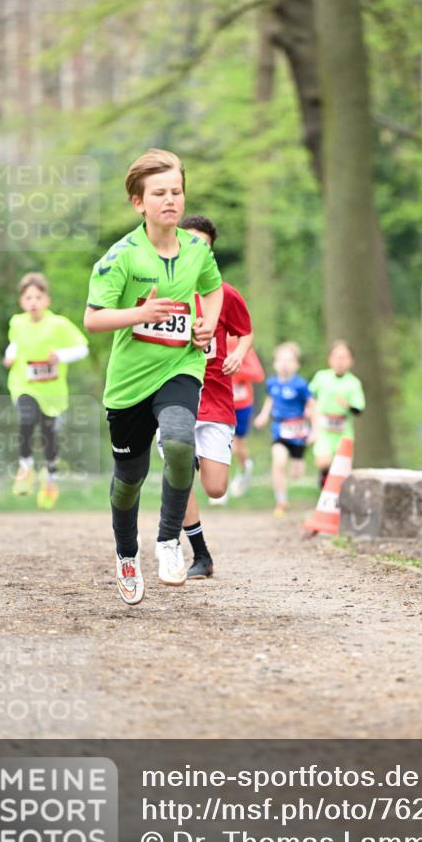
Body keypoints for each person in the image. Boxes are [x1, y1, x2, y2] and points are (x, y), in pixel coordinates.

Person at [84, 149, 223, 607]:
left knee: (181, 441)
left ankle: (168, 542)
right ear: (138, 202)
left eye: (177, 191)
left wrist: (206, 324)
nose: (170, 200)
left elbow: (212, 288)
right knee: (130, 477)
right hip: (129, 383)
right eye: (159, 193)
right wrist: (140, 313)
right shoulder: (120, 257)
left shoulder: (198, 249)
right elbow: (93, 319)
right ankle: (127, 554)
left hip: (181, 366)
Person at [169, 214, 254, 579]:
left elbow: (246, 331)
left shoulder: (225, 293)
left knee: (216, 489)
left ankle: (201, 459)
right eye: (188, 242)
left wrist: (238, 352)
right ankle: (200, 555)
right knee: (180, 471)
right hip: (177, 397)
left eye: (202, 245)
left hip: (217, 399)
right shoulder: (169, 291)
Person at [3, 272, 89, 509]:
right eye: (28, 297)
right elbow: (15, 343)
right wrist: (9, 355)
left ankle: (50, 480)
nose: (33, 302)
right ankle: (26, 467)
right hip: (23, 384)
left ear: (47, 300)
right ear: (21, 301)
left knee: (49, 435)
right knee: (26, 418)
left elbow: (83, 348)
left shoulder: (58, 324)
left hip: (52, 391)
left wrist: (59, 355)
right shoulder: (16, 322)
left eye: (38, 297)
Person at [253, 341, 311, 517]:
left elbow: (311, 405)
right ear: (275, 364)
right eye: (281, 360)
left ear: (296, 364)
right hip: (279, 430)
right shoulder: (272, 383)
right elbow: (271, 400)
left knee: (296, 473)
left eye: (289, 360)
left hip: (298, 432)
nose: (285, 364)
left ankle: (298, 463)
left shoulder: (300, 385)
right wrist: (264, 415)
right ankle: (281, 500)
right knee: (278, 463)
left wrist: (314, 429)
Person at [308, 340, 366, 488]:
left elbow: (359, 409)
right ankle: (324, 483)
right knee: (324, 461)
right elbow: (309, 395)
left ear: (351, 360)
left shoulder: (354, 383)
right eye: (336, 357)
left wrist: (347, 405)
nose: (340, 361)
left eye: (344, 357)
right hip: (324, 427)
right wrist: (309, 409)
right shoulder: (321, 377)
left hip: (343, 430)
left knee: (341, 467)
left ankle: (337, 497)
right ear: (329, 359)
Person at [229, 337, 265, 499]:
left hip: (242, 404)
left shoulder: (244, 348)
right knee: (221, 444)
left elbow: (258, 374)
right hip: (221, 403)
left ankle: (245, 467)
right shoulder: (213, 342)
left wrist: (236, 368)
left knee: (238, 445)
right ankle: (220, 489)